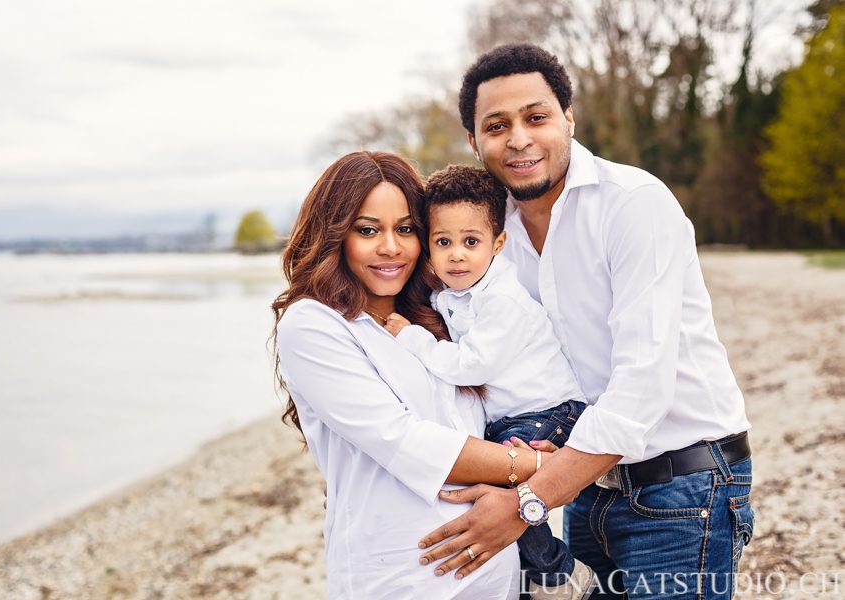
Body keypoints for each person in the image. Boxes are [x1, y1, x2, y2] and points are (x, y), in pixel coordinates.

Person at [417, 44, 754, 599]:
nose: (519, 138)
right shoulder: (488, 235)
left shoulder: (634, 205)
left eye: (537, 117)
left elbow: (641, 389)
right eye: (497, 126)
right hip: (585, 486)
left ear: (569, 118)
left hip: (683, 485)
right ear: (474, 142)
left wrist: (528, 503)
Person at [273, 150, 550, 599]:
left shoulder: (441, 320)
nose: (391, 246)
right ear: (335, 236)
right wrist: (547, 469)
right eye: (367, 230)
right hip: (402, 578)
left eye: (405, 229)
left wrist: (534, 461)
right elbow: (403, 439)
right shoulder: (315, 324)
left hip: (497, 576)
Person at [382, 164, 595, 597]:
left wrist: (412, 338)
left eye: (471, 242)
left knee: (498, 485)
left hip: (550, 412)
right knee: (488, 475)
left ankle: (560, 574)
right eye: (443, 242)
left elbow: (470, 366)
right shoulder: (451, 295)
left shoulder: (503, 300)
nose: (456, 254)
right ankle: (530, 572)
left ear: (498, 243)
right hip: (515, 415)